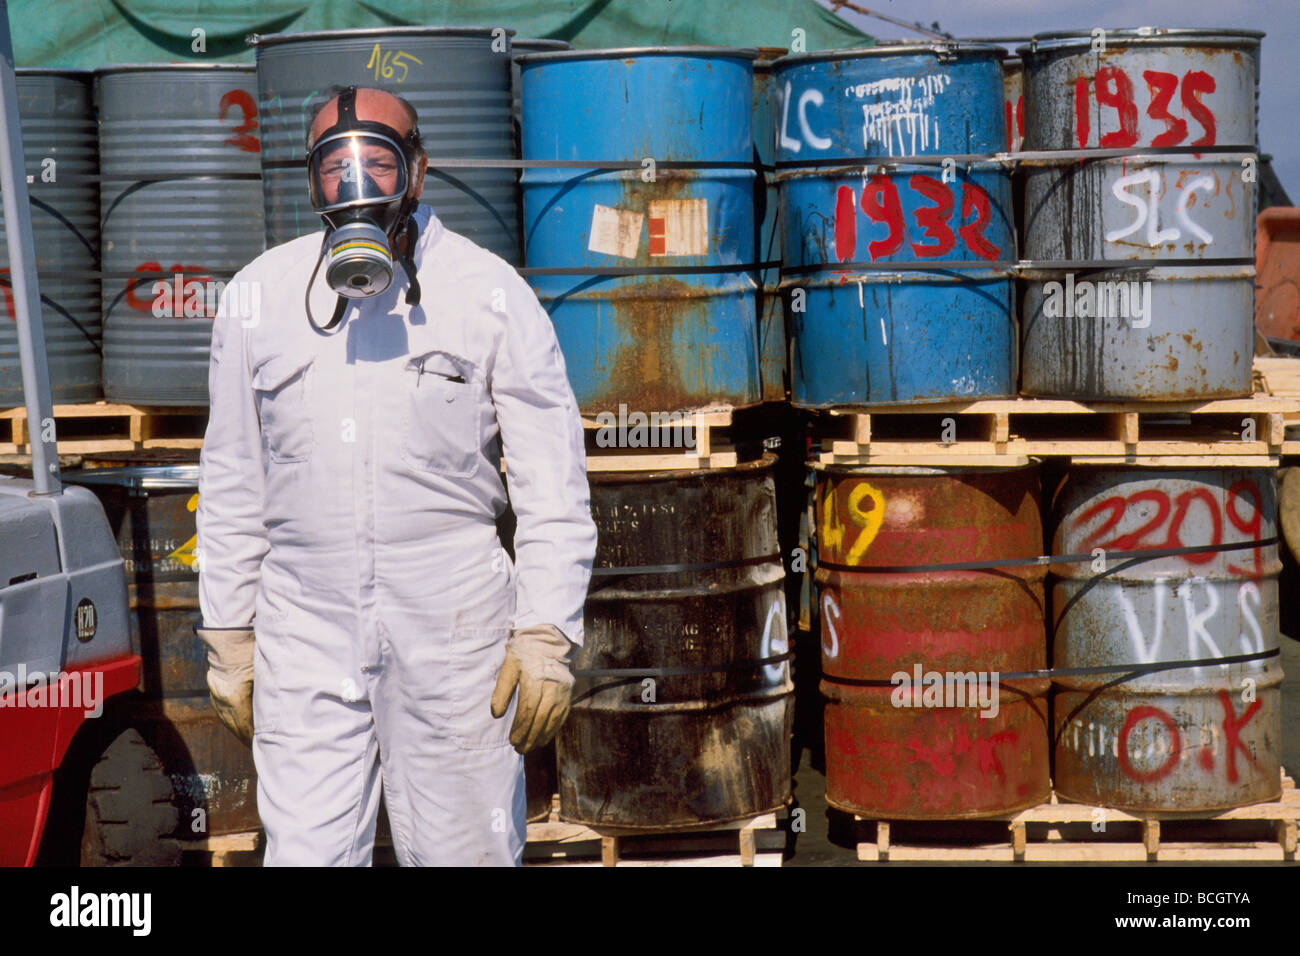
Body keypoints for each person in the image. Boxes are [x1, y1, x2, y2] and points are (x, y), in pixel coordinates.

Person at [194, 86, 596, 866]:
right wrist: (230, 636)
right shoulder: (260, 299)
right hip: (304, 621)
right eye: (333, 171)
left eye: (376, 165)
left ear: (417, 173)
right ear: (309, 182)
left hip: (452, 623)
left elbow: (553, 481)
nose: (355, 191)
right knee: (305, 855)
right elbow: (234, 475)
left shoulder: (489, 294)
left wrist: (545, 632)